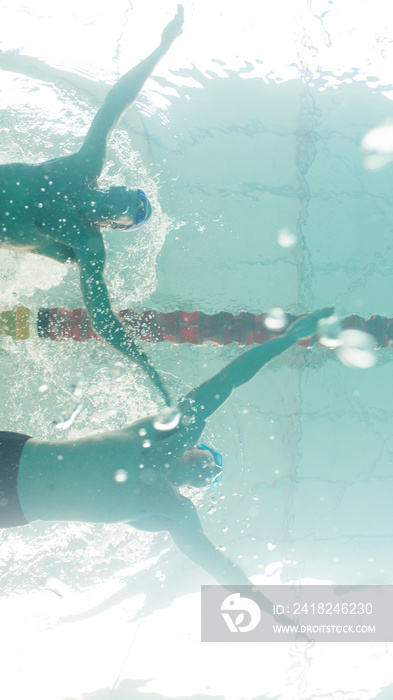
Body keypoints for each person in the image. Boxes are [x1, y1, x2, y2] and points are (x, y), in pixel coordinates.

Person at [0, 307, 332, 598]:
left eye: (213, 478)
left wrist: (264, 605)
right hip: (13, 454)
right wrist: (288, 339)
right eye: (214, 459)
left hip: (11, 507)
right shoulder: (153, 434)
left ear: (193, 489)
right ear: (193, 447)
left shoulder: (174, 511)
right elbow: (227, 381)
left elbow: (216, 563)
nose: (216, 470)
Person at [0, 7, 186, 407]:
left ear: (117, 226)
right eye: (136, 194)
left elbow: (102, 317)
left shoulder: (87, 245)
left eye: (137, 211)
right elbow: (115, 103)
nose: (130, 196)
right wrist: (162, 47)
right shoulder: (85, 166)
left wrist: (145, 365)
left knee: (59, 252)